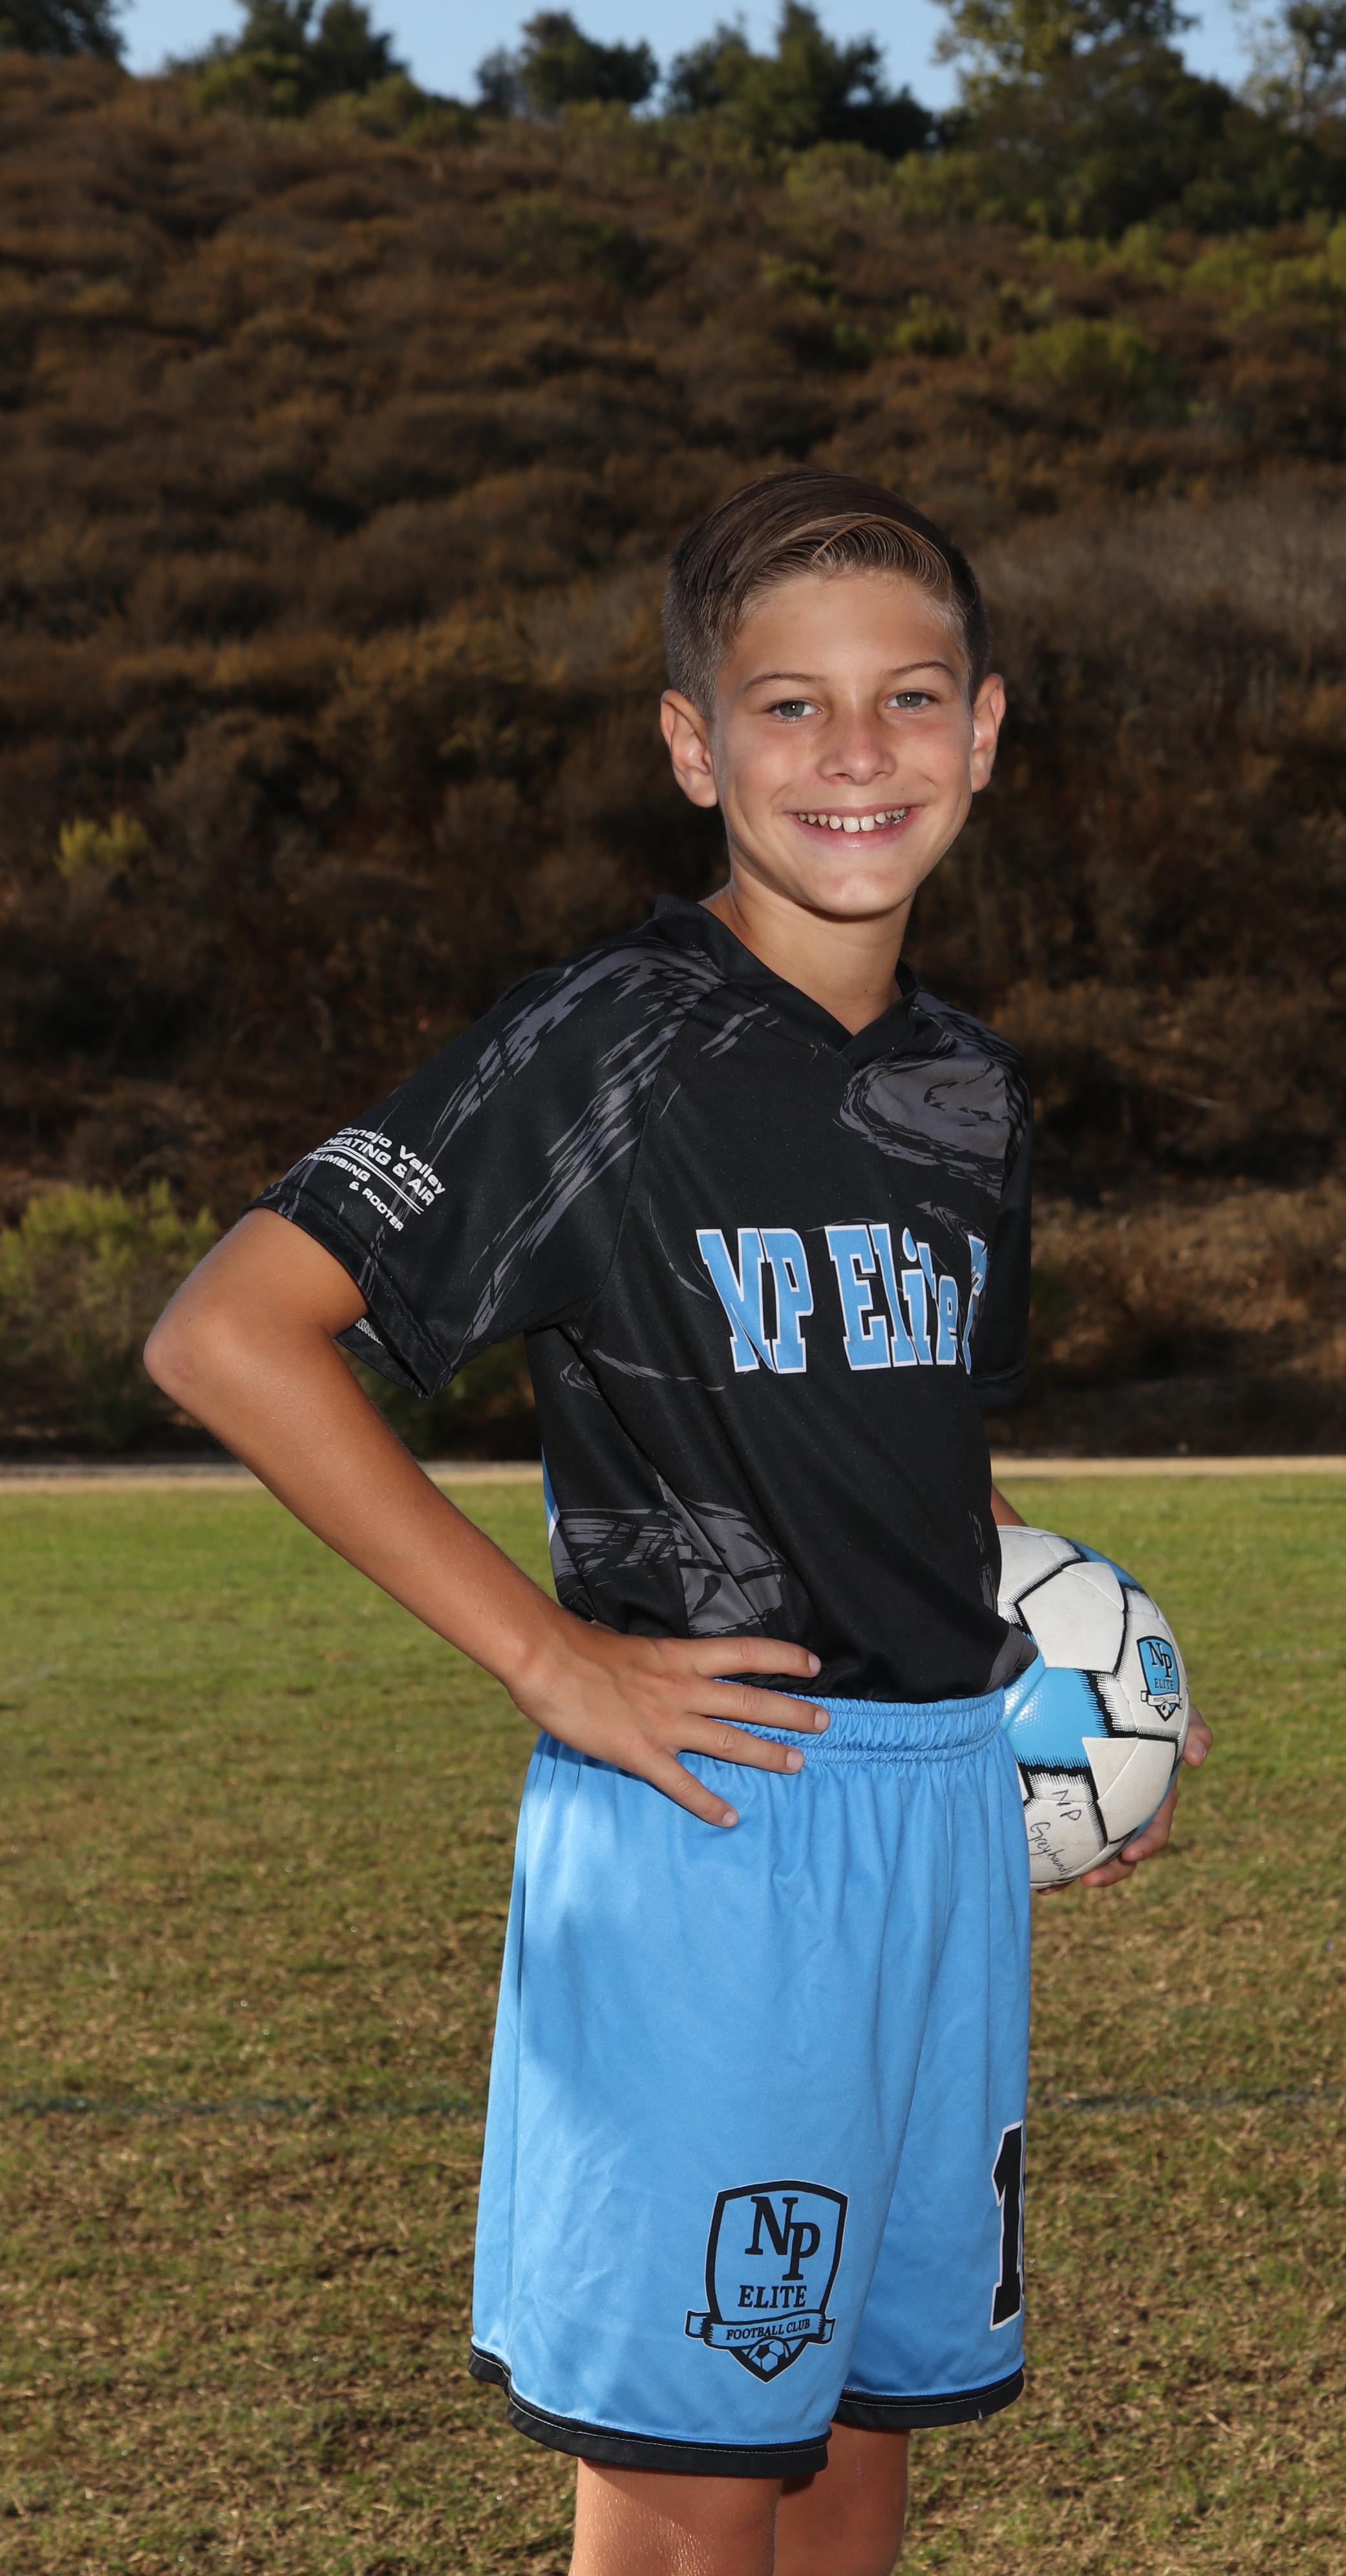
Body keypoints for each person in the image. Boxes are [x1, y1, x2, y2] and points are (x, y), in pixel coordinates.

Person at [145, 469, 1212, 2576]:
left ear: (987, 732)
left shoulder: (969, 1088)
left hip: (938, 1820)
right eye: (790, 705)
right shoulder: (605, 1045)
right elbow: (229, 1334)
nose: (857, 752)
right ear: (694, 746)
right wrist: (552, 1659)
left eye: (910, 698)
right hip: (715, 1822)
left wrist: (1084, 1699)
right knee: (693, 2472)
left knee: (866, 2436)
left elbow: (919, 1443)